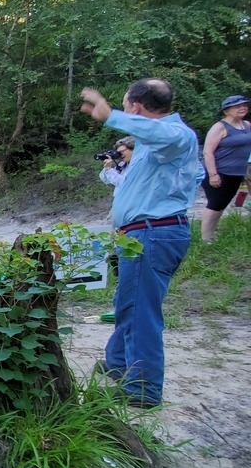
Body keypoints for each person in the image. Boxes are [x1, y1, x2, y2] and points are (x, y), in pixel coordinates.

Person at [79, 79, 198, 409]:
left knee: (141, 310)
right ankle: (119, 364)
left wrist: (110, 115)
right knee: (127, 301)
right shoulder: (150, 145)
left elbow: (164, 135)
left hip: (154, 233)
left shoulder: (176, 135)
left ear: (135, 106)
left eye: (124, 104)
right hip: (139, 234)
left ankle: (143, 389)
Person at [200, 95, 251, 242]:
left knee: (222, 204)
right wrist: (213, 174)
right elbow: (207, 152)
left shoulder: (246, 125)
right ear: (226, 110)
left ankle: (212, 234)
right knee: (215, 204)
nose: (243, 108)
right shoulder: (219, 127)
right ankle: (206, 239)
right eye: (237, 106)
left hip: (237, 173)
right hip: (219, 171)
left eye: (244, 105)